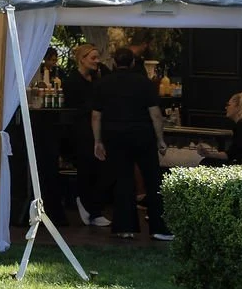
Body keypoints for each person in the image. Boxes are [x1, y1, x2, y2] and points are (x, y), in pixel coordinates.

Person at [91, 47, 171, 240]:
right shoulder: (144, 83)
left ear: (114, 62)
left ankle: (124, 227)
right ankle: (159, 227)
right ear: (133, 63)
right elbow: (156, 115)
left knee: (123, 180)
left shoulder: (103, 84)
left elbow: (96, 116)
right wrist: (160, 140)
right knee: (152, 179)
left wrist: (98, 141)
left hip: (115, 135)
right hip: (142, 134)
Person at [59, 43, 112, 226]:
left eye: (98, 58)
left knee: (99, 168)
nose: (97, 62)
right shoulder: (72, 81)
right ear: (82, 59)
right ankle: (87, 206)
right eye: (93, 58)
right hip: (81, 130)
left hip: (96, 128)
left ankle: (94, 207)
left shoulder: (97, 79)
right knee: (86, 167)